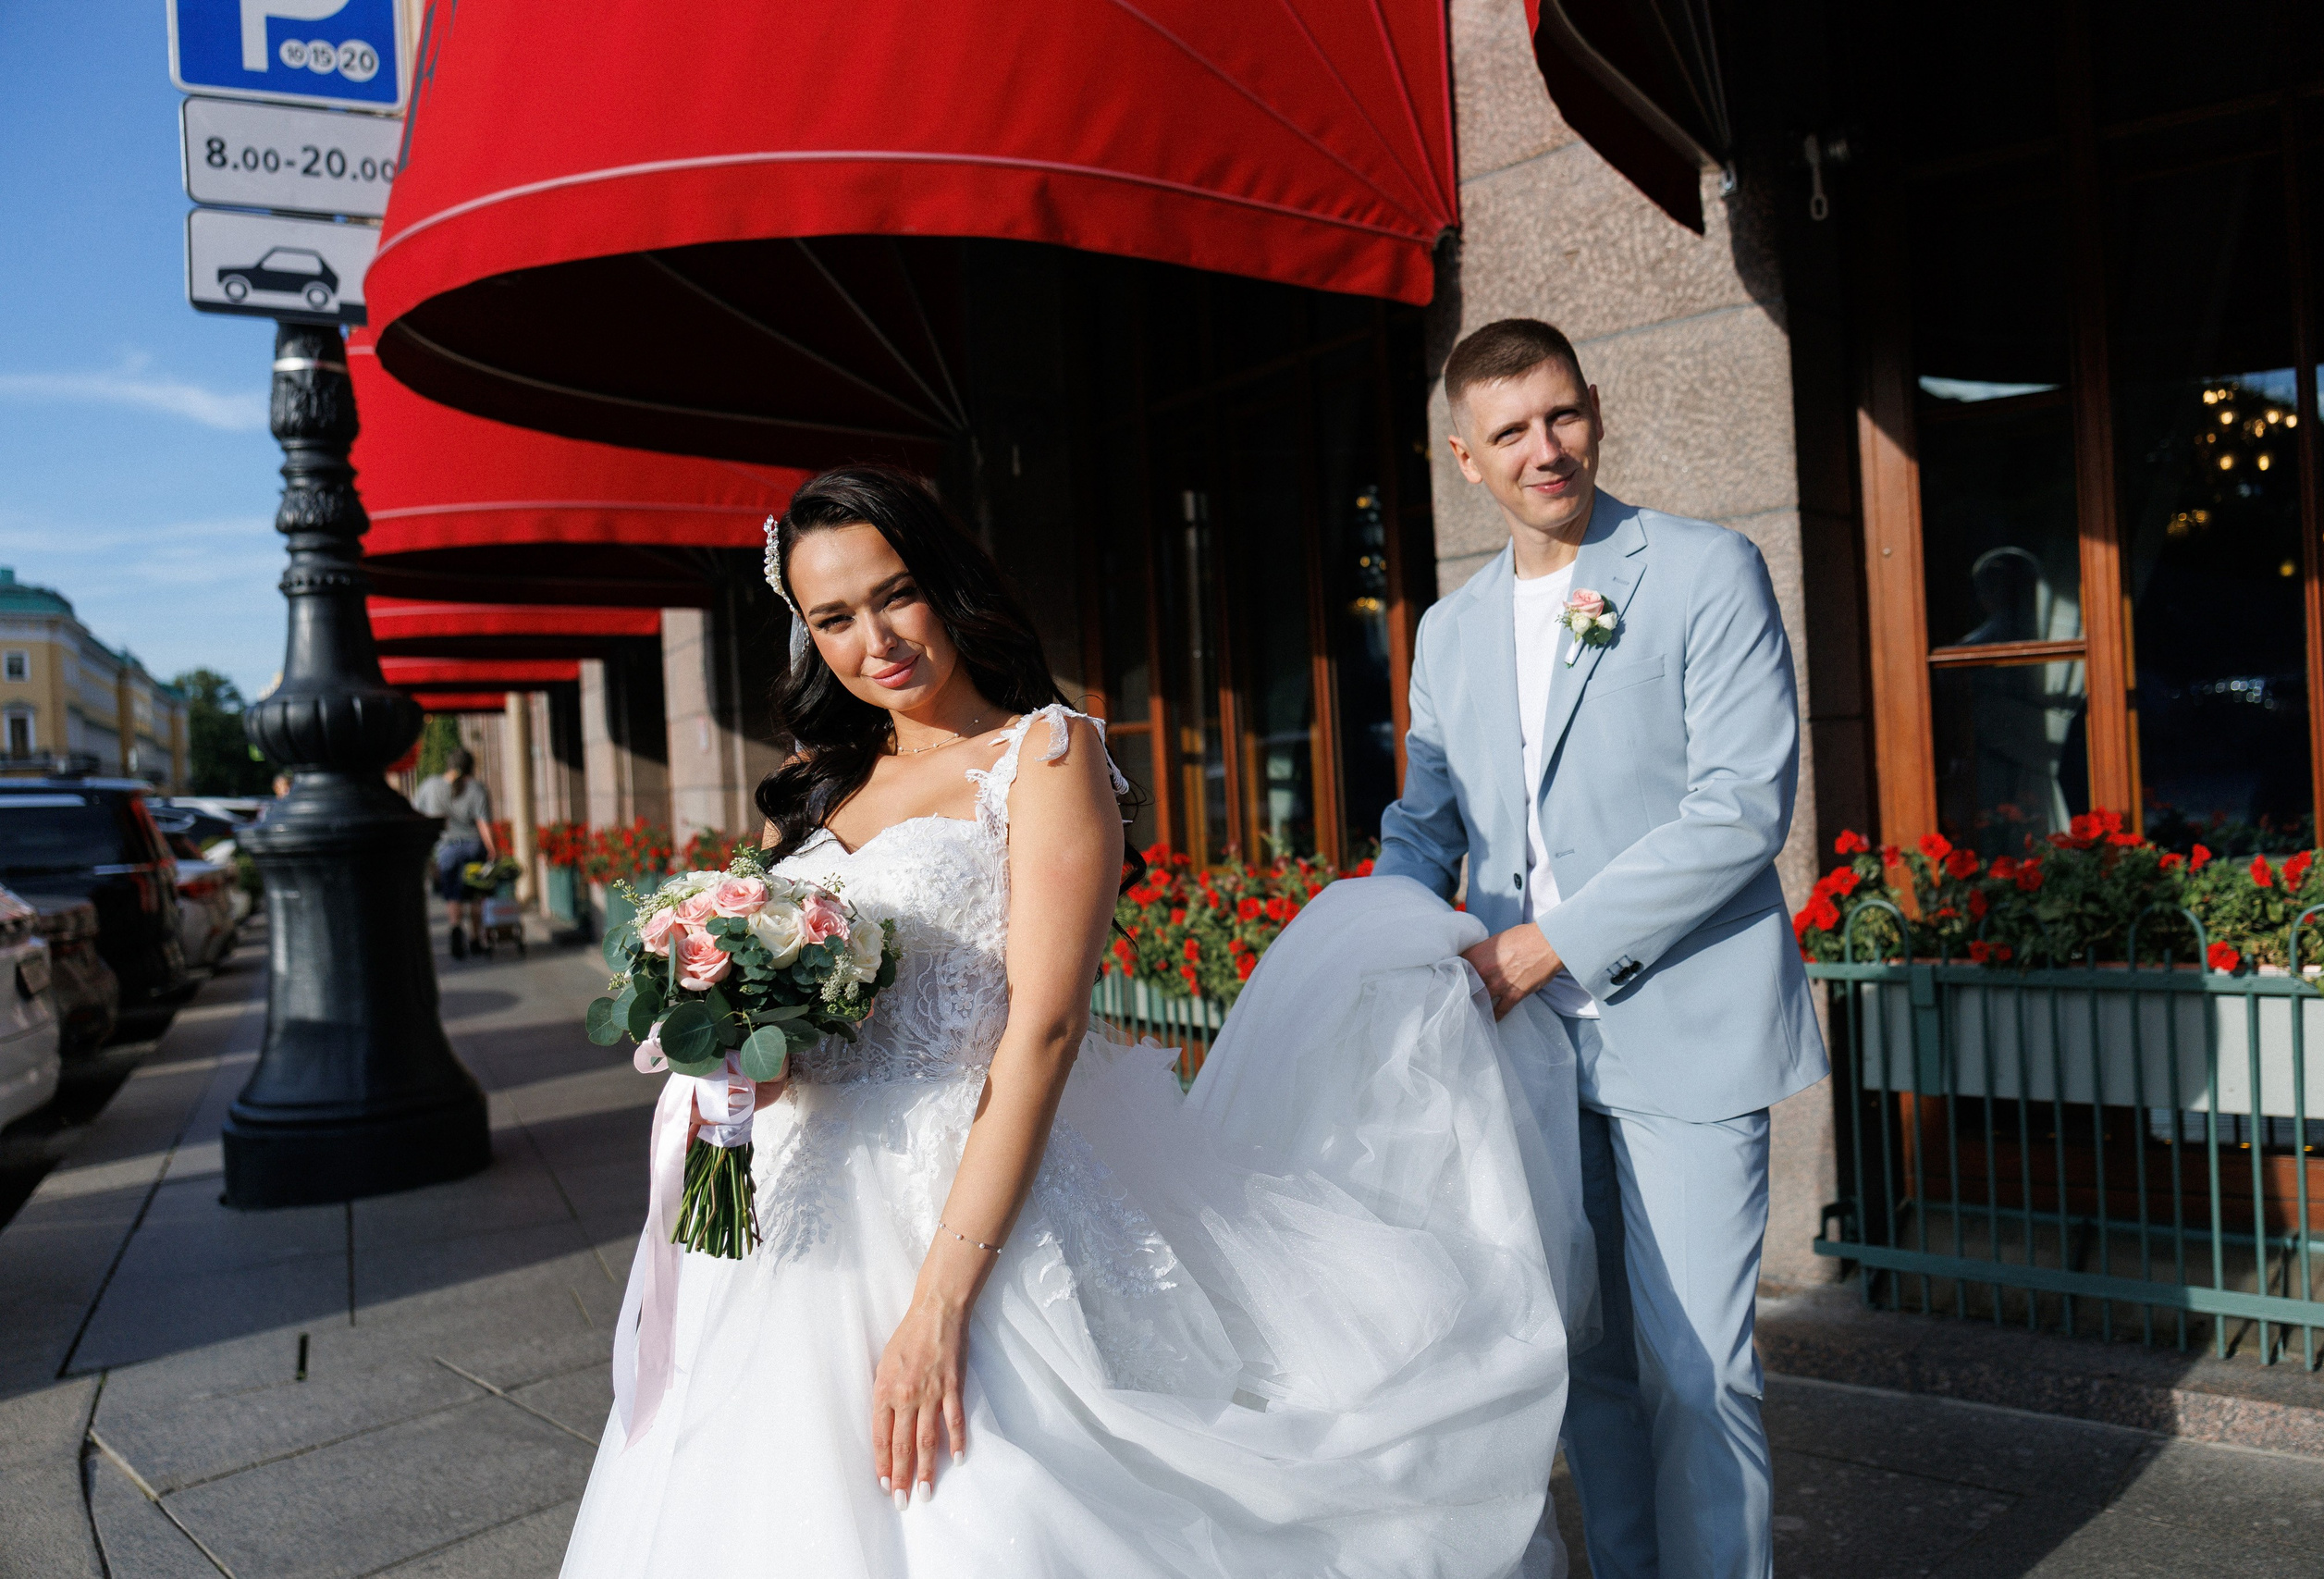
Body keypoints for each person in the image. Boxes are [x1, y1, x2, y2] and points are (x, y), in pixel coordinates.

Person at [562, 467, 1595, 1578]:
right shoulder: (821, 780)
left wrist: (940, 1303)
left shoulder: (1043, 755)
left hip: (963, 1192)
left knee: (980, 1498)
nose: (878, 640)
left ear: (947, 583)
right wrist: (740, 1032)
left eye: (895, 593)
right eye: (834, 619)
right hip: (795, 1207)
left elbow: (1045, 1032)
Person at [1374, 319, 1827, 1579]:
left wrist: (1543, 945)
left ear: (1597, 411)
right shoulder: (1448, 631)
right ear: (1466, 458)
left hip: (1687, 1020)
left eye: (1562, 414)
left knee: (1698, 1367)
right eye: (1511, 430)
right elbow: (1425, 822)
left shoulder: (1701, 567)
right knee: (1584, 1362)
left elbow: (1742, 806)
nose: (1545, 447)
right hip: (1523, 1046)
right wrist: (1378, 939)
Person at [412, 746, 496, 961]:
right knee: (476, 895)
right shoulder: (477, 788)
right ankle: (476, 939)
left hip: (446, 849)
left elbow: (417, 815)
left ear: (448, 765)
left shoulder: (430, 786)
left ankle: (456, 930)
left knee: (453, 895)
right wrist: (493, 849)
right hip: (474, 847)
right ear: (470, 767)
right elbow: (483, 823)